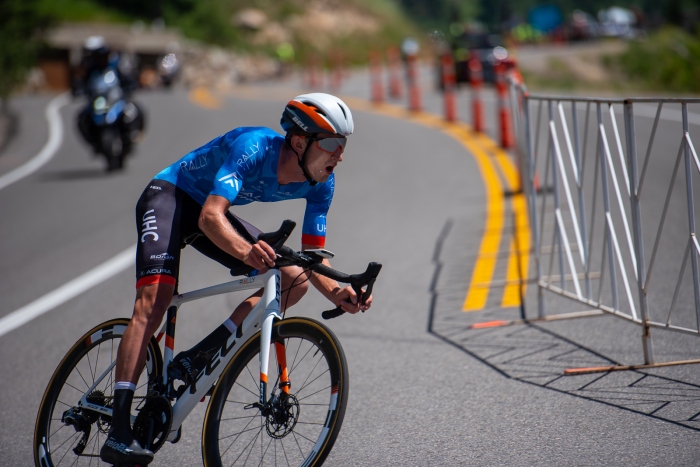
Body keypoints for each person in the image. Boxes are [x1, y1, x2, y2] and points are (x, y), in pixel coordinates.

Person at [100, 93, 373, 465]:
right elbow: (210, 217)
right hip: (171, 198)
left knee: (294, 278)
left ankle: (204, 353)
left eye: (342, 145)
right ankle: (118, 428)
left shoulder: (322, 183)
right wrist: (247, 252)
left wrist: (339, 293)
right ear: (299, 142)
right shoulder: (254, 147)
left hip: (211, 214)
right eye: (330, 144)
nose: (339, 154)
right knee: (155, 302)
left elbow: (311, 260)